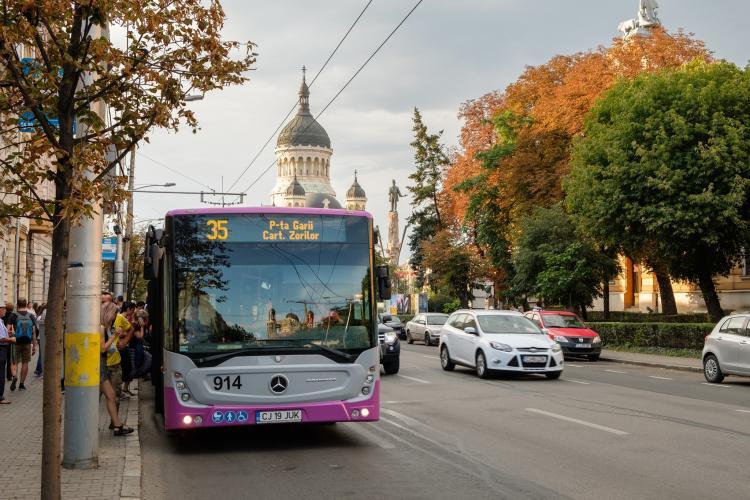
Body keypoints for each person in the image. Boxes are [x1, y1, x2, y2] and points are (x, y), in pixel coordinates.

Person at [100, 306, 133, 436]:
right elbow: (103, 349)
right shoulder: (101, 328)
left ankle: (117, 425)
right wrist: (115, 335)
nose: (115, 317)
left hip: (104, 365)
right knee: (109, 396)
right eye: (114, 314)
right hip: (100, 366)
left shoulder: (105, 327)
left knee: (111, 396)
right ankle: (117, 425)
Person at [12, 299, 37, 391]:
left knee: (15, 361)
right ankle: (21, 384)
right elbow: (34, 332)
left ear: (17, 305)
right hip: (27, 342)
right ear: (26, 305)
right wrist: (34, 346)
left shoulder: (13, 315)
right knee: (25, 362)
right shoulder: (31, 316)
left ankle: (14, 376)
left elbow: (8, 330)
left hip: (15, 342)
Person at [0, 303, 16, 404]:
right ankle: (0, 397)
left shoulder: (1, 321)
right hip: (1, 349)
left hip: (3, 349)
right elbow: (1, 339)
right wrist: (11, 339)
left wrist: (8, 334)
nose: (5, 311)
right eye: (3, 309)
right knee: (1, 374)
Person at [3, 302, 17, 383]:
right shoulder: (13, 316)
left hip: (3, 337)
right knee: (10, 358)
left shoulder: (3, 316)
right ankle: (9, 376)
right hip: (10, 338)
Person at [34, 303, 46, 377]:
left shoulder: (38, 317)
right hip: (42, 337)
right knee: (41, 355)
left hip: (39, 337)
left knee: (40, 354)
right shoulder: (41, 317)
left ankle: (38, 369)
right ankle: (39, 370)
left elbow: (37, 328)